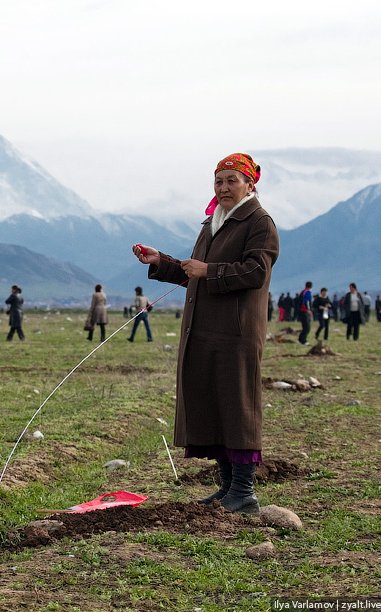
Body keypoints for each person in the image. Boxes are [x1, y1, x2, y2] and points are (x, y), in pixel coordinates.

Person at [132, 152, 279, 515]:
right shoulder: (213, 221)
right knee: (214, 405)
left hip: (236, 332)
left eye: (232, 180)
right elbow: (192, 272)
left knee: (238, 406)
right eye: (219, 181)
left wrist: (209, 269)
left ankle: (244, 492)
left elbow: (255, 272)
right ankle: (227, 487)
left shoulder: (259, 222)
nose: (224, 187)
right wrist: (162, 261)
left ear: (250, 184)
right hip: (206, 331)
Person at [298, 281, 313, 346]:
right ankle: (302, 341)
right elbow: (306, 302)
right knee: (307, 327)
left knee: (305, 327)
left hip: (301, 311)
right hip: (304, 311)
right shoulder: (307, 292)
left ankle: (300, 339)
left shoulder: (302, 292)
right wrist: (308, 310)